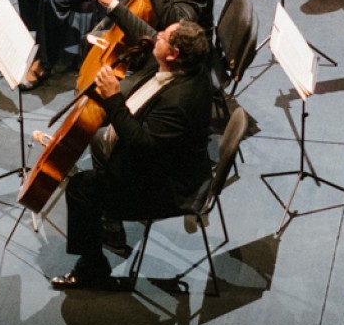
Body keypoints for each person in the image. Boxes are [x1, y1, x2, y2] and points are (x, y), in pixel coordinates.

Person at [51, 21, 219, 289]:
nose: (157, 35)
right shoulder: (191, 68)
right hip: (170, 160)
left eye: (163, 36)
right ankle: (106, 219)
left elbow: (141, 145)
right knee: (98, 138)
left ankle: (93, 268)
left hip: (165, 189)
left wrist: (112, 97)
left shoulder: (179, 101)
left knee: (81, 188)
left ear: (173, 54)